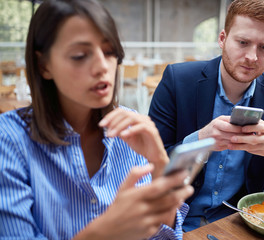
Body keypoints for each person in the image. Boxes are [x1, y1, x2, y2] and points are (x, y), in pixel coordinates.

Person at [0, 0, 194, 239]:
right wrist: (107, 230)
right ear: (44, 66)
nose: (103, 66)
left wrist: (160, 166)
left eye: (110, 51)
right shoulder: (8, 140)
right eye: (80, 55)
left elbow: (163, 236)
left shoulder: (131, 125)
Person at [149, 0, 264, 231]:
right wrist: (200, 141)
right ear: (222, 38)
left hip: (238, 221)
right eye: (243, 42)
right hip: (175, 219)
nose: (252, 57)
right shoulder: (178, 80)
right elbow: (149, 166)